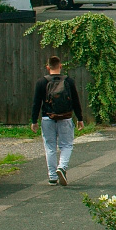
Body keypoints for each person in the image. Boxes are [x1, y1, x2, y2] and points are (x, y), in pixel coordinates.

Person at [31, 56, 84, 185]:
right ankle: (62, 167)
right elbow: (76, 101)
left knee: (50, 147)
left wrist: (34, 121)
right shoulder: (69, 81)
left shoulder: (41, 82)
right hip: (65, 118)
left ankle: (52, 177)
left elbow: (36, 103)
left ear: (48, 67)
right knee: (66, 145)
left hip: (47, 118)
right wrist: (80, 118)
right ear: (60, 66)